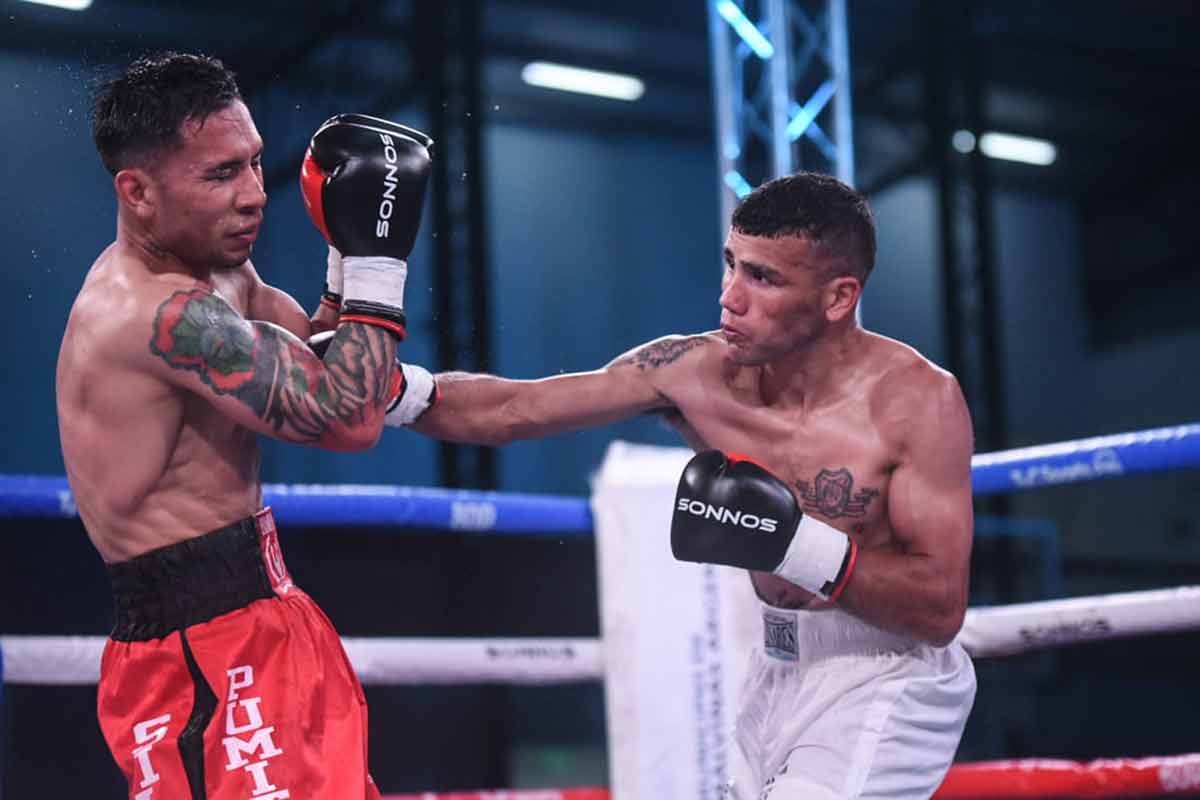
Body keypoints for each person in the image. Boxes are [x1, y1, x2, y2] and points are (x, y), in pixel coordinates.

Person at [391, 172, 976, 798]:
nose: (729, 297)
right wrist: (389, 391)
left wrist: (793, 543)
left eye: (764, 278)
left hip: (887, 675)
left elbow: (939, 610)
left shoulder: (915, 402)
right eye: (732, 264)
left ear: (838, 298)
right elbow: (513, 410)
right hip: (776, 668)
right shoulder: (692, 371)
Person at [56, 51, 432, 799]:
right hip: (198, 654)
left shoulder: (224, 277)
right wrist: (377, 262)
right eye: (221, 174)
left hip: (272, 616)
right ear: (137, 191)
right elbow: (348, 419)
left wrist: (343, 248)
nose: (256, 195)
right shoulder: (155, 314)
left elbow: (324, 354)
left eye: (257, 163)